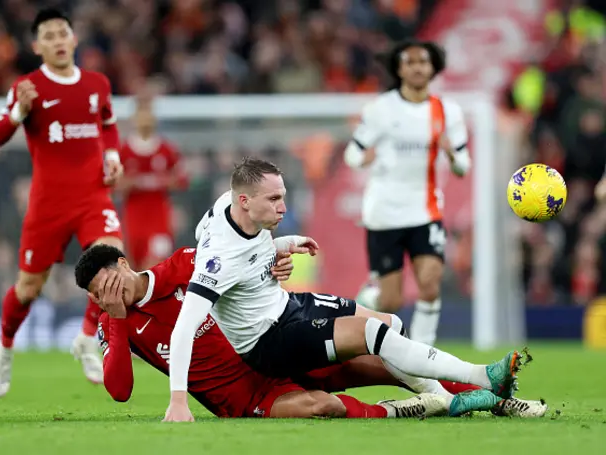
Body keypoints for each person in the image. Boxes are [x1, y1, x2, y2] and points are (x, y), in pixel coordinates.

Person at [158, 158, 525, 422]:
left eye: (282, 196)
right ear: (244, 201)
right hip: (268, 342)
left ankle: (442, 399)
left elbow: (245, 249)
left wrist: (281, 246)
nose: (283, 207)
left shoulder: (228, 205)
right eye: (274, 201)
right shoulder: (217, 259)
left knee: (391, 324)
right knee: (372, 333)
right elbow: (184, 327)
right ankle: (480, 376)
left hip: (287, 305)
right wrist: (178, 401)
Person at [76, 244, 547, 419]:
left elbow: (242, 268)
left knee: (383, 358)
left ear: (124, 263)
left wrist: (274, 256)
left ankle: (498, 398)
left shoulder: (184, 265)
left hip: (275, 350)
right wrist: (114, 320)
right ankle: (415, 409)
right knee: (322, 407)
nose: (106, 296)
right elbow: (119, 390)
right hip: (241, 397)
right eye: (98, 295)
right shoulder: (114, 325)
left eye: (108, 283)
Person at [0, 8, 125, 396]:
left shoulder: (97, 84)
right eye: (48, 36)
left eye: (63, 33)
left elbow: (109, 125)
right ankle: (5, 347)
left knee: (113, 262)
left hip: (92, 196)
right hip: (48, 205)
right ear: (37, 46)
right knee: (29, 289)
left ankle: (85, 337)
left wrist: (112, 158)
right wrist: (19, 112)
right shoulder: (28, 87)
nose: (58, 41)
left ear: (74, 39)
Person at [344, 39, 471, 346]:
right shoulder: (380, 109)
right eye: (410, 62)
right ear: (399, 69)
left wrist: (452, 155)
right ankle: (368, 297)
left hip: (425, 210)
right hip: (384, 213)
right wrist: (364, 158)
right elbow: (352, 153)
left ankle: (423, 354)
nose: (417, 67)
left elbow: (463, 167)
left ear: (433, 67)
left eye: (423, 62)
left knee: (430, 285)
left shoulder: (448, 112)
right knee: (390, 302)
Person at [118, 102, 188, 270]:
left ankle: (155, 294)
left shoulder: (166, 149)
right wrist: (133, 182)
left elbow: (181, 180)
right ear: (134, 120)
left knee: (157, 261)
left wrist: (163, 181)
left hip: (159, 215)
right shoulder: (124, 151)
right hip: (134, 215)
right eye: (141, 117)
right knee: (136, 264)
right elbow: (114, 184)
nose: (145, 122)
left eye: (149, 117)